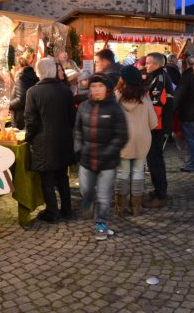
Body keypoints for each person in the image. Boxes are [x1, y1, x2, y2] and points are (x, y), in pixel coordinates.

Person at [75, 73, 128, 240]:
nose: (96, 90)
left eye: (100, 86)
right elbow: (77, 130)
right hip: (86, 160)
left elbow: (122, 135)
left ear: (107, 89)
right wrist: (78, 148)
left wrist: (108, 152)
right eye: (93, 87)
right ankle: (89, 200)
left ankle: (101, 224)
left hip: (108, 162)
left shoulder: (115, 108)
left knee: (104, 196)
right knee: (86, 191)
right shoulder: (84, 107)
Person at [24, 57, 76, 222]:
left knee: (47, 179)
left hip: (43, 142)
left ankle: (52, 212)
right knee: (62, 176)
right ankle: (67, 209)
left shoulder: (33, 92)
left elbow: (30, 120)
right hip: (63, 140)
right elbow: (72, 117)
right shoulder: (65, 90)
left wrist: (28, 137)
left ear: (39, 72)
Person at [114, 66, 158, 217]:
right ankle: (136, 208)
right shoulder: (144, 98)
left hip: (122, 140)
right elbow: (154, 123)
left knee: (122, 173)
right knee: (138, 172)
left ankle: (120, 208)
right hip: (142, 140)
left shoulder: (116, 97)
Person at [143, 52, 175, 208]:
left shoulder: (159, 78)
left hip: (157, 126)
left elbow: (157, 105)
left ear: (156, 64)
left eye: (148, 63)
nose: (145, 65)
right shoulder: (157, 76)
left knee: (154, 161)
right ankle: (159, 190)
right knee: (155, 160)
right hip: (157, 125)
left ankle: (160, 195)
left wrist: (149, 124)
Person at [9, 56, 39, 129]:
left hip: (21, 118)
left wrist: (8, 105)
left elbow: (21, 99)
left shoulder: (21, 77)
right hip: (32, 117)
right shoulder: (35, 76)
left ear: (18, 66)